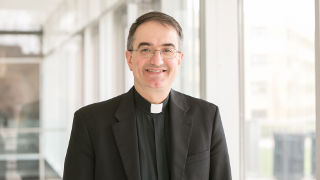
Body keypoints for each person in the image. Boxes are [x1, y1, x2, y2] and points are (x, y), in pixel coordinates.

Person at [63, 11, 232, 180]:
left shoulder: (207, 117)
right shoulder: (90, 123)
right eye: (145, 50)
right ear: (129, 59)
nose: (157, 60)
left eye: (167, 50)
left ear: (179, 59)